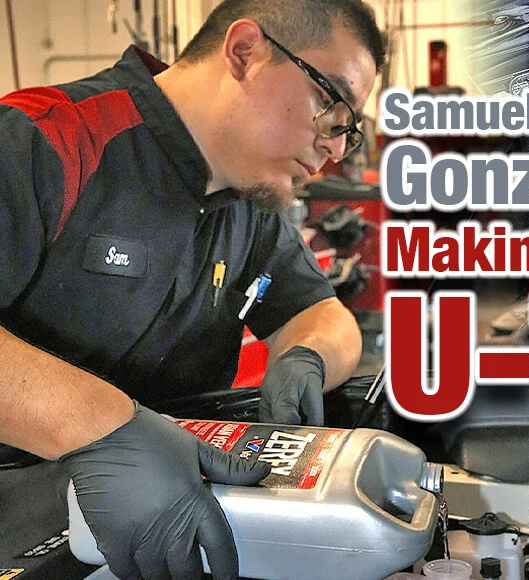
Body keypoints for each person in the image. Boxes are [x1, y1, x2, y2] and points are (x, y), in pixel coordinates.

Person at [0, 0, 384, 578]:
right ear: (245, 52)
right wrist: (103, 429)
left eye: (347, 132)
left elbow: (322, 313)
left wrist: (307, 356)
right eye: (332, 108)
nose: (335, 147)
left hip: (172, 530)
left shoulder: (249, 204)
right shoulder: (45, 138)